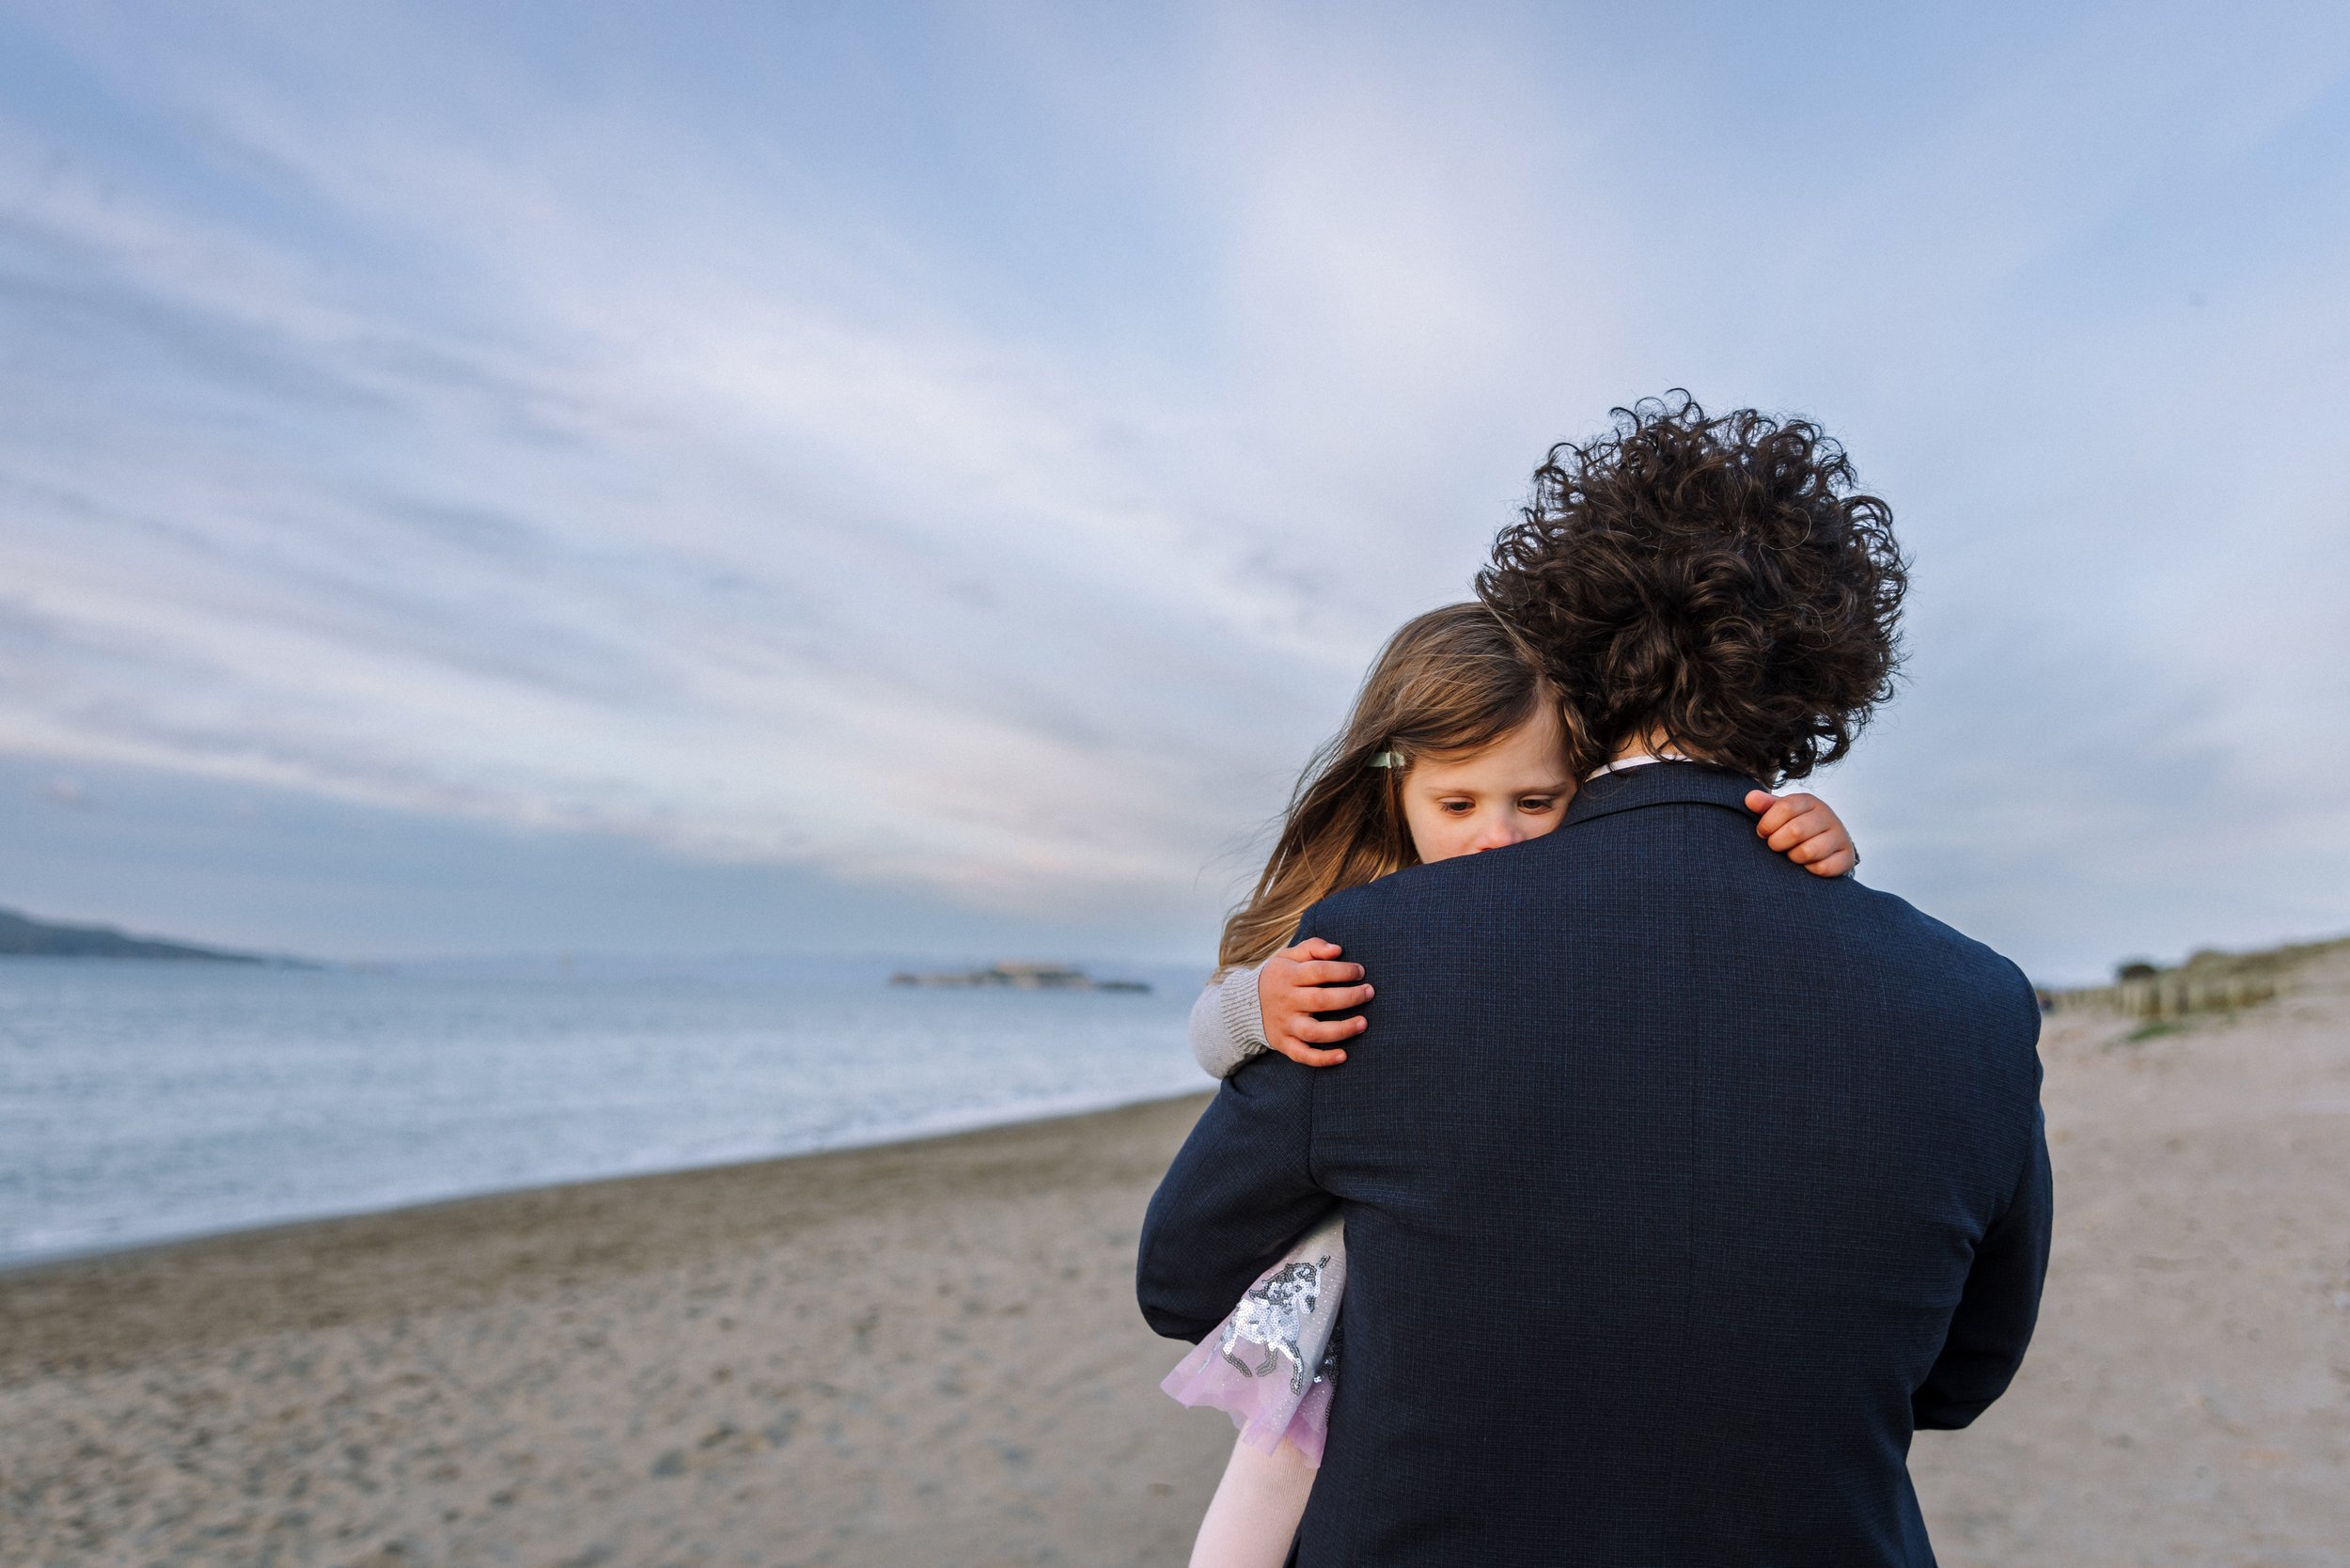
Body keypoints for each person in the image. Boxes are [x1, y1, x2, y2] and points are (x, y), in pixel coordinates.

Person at [1137, 396, 2052, 1566]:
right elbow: (1959, 1378)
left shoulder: (1373, 952)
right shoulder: (1975, 1000)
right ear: (1823, 676)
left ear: (1566, 646)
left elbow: (1180, 1281)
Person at [1166, 603, 1859, 1568]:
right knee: (1272, 1467)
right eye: (1458, 805)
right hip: (1336, 1279)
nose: (1495, 835)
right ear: (1392, 781)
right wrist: (1256, 1007)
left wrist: (1794, 835)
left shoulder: (1577, 922)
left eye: (1535, 802)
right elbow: (1209, 1032)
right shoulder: (1347, 918)